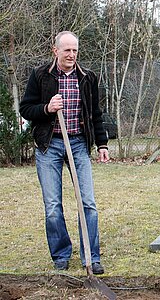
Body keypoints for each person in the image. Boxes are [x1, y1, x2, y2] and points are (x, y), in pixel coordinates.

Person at [19, 31, 109, 274]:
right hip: (49, 145)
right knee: (52, 205)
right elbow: (25, 108)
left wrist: (102, 144)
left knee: (87, 202)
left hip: (78, 144)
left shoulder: (87, 77)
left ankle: (92, 256)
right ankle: (60, 256)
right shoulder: (41, 76)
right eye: (67, 50)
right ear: (55, 50)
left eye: (75, 50)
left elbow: (95, 115)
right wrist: (47, 108)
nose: (71, 55)